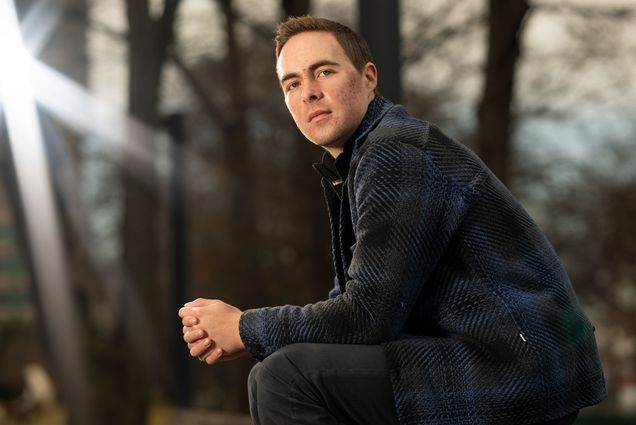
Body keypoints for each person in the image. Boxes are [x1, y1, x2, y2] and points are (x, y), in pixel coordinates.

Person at [178, 16, 606, 425]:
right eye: (292, 83)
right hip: (504, 362)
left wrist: (244, 327)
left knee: (287, 377)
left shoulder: (395, 152)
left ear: (368, 77)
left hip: (514, 367)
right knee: (277, 371)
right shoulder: (358, 162)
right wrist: (250, 334)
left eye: (323, 72)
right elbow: (355, 303)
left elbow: (366, 317)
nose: (308, 92)